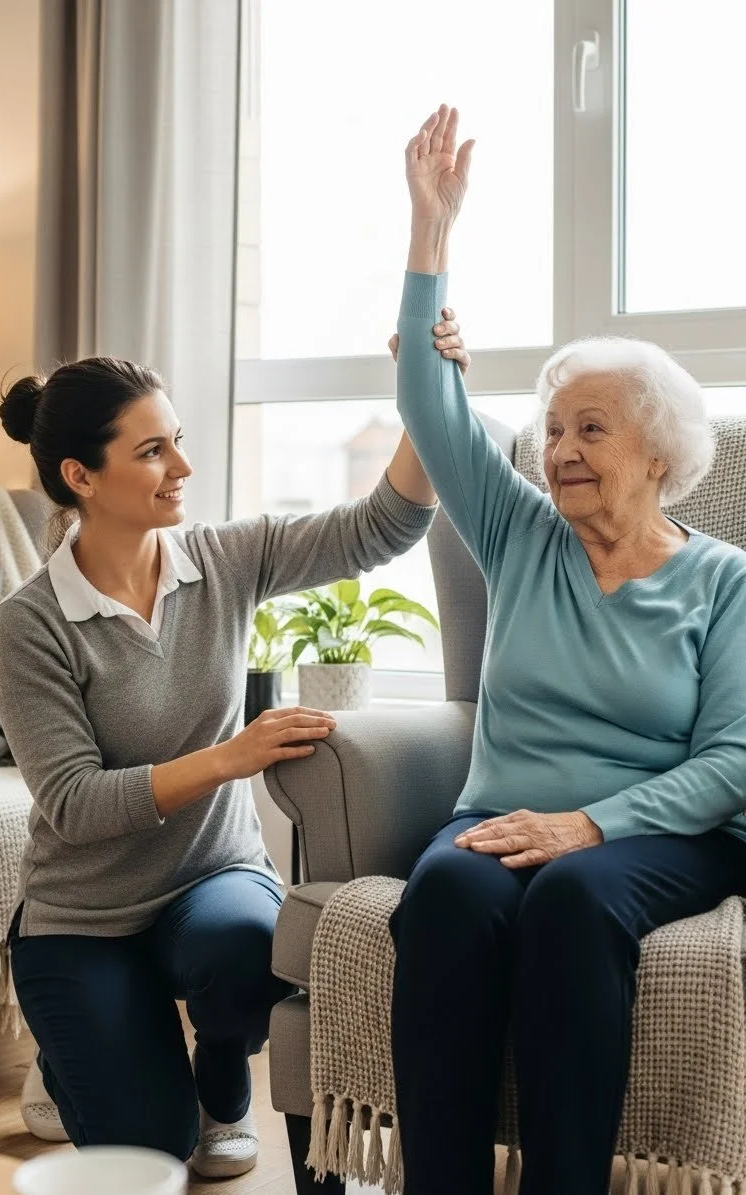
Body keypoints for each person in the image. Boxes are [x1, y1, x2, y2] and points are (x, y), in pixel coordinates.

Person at [0, 325, 468, 1174]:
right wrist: (229, 756)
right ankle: (74, 1059)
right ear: (80, 476)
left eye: (178, 440)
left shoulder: (224, 559)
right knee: (153, 1159)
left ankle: (221, 1078)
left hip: (208, 881)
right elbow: (74, 803)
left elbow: (381, 527)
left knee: (247, 949)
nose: (183, 466)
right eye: (152, 450)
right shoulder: (29, 625)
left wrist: (423, 399)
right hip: (83, 918)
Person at [389, 104, 746, 1195]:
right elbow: (424, 400)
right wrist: (428, 233)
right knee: (442, 893)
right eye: (550, 430)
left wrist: (585, 824)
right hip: (500, 815)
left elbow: (733, 761)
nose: (558, 451)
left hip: (660, 833)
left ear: (657, 452)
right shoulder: (518, 535)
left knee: (570, 898)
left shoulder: (721, 579)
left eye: (590, 428)